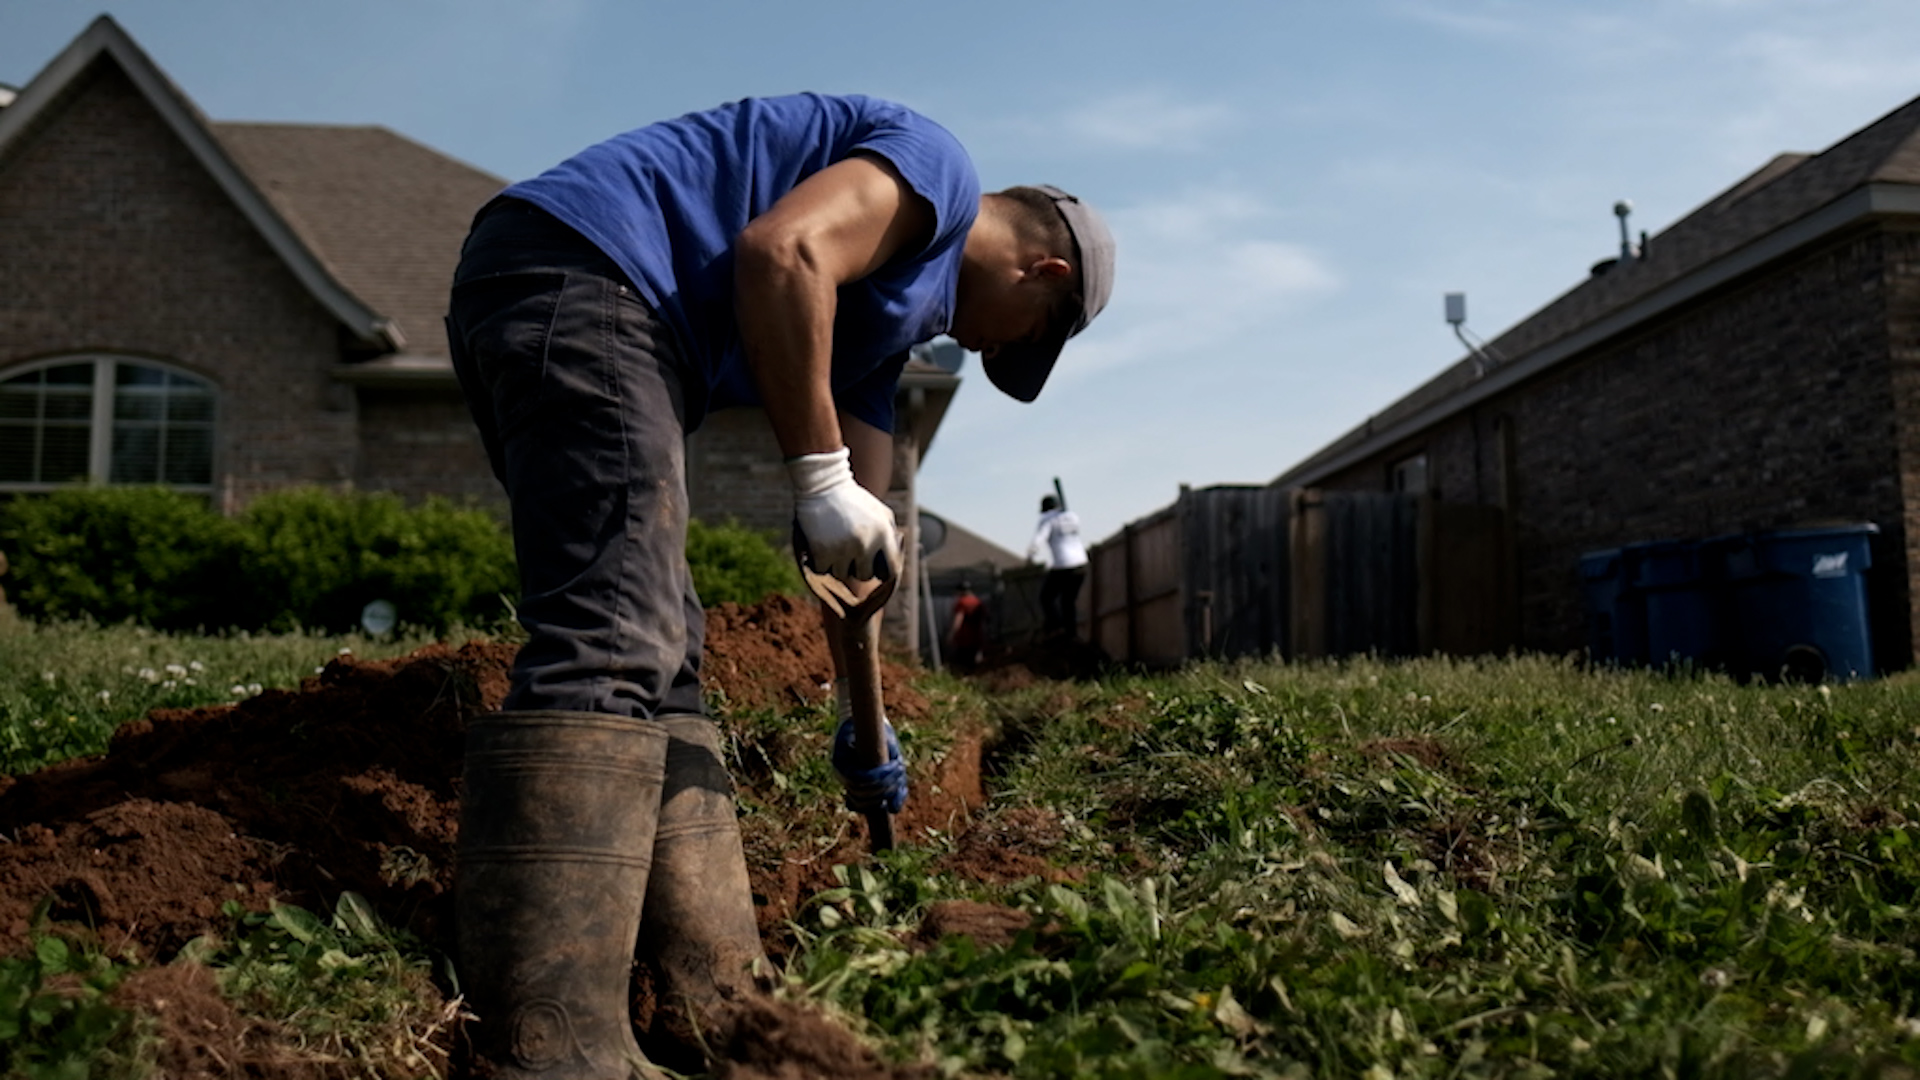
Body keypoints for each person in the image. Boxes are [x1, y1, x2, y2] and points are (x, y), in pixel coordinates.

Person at [444, 93, 1114, 1079]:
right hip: (586, 270)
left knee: (666, 656)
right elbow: (783, 252)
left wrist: (865, 711)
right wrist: (819, 477)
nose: (988, 350)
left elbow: (858, 562)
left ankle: (713, 994)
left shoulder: (880, 339)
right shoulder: (937, 167)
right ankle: (543, 1042)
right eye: (1020, 336)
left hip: (586, 300)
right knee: (612, 638)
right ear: (1040, 270)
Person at [1028, 493, 1088, 639]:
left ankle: (1056, 626)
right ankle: (1071, 634)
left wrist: (1031, 554)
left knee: (1046, 597)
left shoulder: (1046, 519)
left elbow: (1039, 538)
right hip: (1081, 564)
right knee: (1068, 601)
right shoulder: (1072, 516)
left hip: (1064, 565)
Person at [946, 579, 988, 673]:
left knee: (961, 665)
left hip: (964, 638)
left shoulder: (962, 602)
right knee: (973, 664)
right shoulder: (978, 602)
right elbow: (985, 620)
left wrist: (951, 634)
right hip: (977, 637)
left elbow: (958, 620)